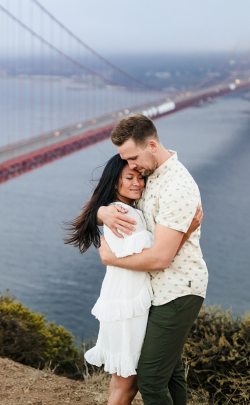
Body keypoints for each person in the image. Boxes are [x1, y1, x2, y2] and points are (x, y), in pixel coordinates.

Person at [64, 154, 202, 405]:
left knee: (120, 384)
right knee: (127, 386)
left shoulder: (116, 210)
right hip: (128, 306)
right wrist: (187, 230)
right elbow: (155, 258)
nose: (137, 182)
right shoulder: (126, 215)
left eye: (141, 177)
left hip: (121, 301)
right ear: (114, 183)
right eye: (129, 177)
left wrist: (101, 212)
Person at [96, 113, 208, 405]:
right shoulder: (148, 176)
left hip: (177, 289)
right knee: (170, 375)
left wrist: (110, 258)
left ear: (152, 146)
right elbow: (118, 199)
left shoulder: (177, 186)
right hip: (156, 291)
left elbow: (160, 258)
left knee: (151, 378)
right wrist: (101, 212)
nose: (131, 166)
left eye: (133, 157)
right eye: (126, 162)